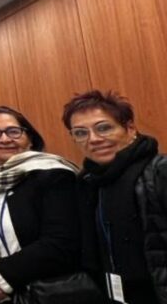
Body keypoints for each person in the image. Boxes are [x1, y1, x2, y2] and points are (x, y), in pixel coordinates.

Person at [0, 106, 83, 303]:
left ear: (30, 138)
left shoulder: (54, 176)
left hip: (47, 291)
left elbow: (61, 243)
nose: (4, 139)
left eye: (14, 131)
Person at [66, 90, 167, 303]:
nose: (93, 139)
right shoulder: (88, 183)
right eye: (80, 133)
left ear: (129, 128)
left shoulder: (159, 171)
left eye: (104, 128)